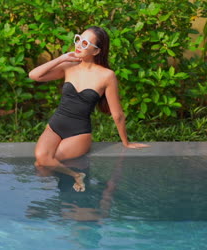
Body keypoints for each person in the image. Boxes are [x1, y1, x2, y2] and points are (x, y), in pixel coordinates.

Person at [29, 26, 149, 192]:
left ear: (96, 51)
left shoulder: (107, 75)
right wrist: (61, 58)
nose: (79, 44)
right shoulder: (68, 66)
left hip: (78, 133)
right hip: (55, 127)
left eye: (85, 43)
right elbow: (34, 75)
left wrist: (126, 142)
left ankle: (76, 177)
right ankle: (76, 175)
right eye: (78, 39)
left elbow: (118, 114)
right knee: (42, 164)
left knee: (43, 162)